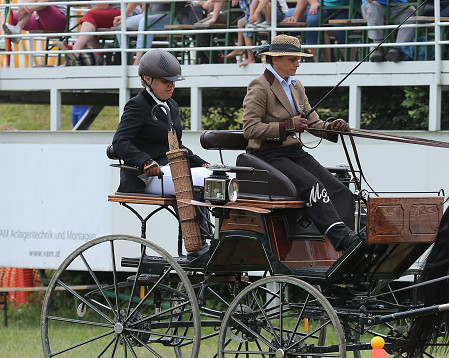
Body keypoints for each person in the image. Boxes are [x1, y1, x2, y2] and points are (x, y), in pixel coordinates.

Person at [241, 34, 359, 251]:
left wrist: (333, 128)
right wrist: (287, 126)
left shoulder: (296, 86)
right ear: (275, 59)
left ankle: (347, 246)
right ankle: (341, 239)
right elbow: (250, 129)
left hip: (294, 153)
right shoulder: (259, 86)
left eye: (298, 59)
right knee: (314, 187)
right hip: (268, 155)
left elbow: (313, 123)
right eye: (292, 59)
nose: (297, 64)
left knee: (340, 190)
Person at [112, 49, 213, 257]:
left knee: (214, 177)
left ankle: (211, 238)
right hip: (147, 176)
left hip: (170, 169)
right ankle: (196, 244)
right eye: (166, 81)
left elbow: (177, 146)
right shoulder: (136, 106)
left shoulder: (171, 105)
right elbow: (120, 142)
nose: (172, 85)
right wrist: (144, 162)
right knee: (191, 181)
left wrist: (201, 163)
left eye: (174, 81)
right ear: (147, 79)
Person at [2, 0, 67, 43]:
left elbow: (45, 1)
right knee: (7, 15)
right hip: (42, 18)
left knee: (37, 2)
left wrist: (26, 9)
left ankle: (18, 28)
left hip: (59, 19)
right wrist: (23, 7)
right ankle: (4, 40)